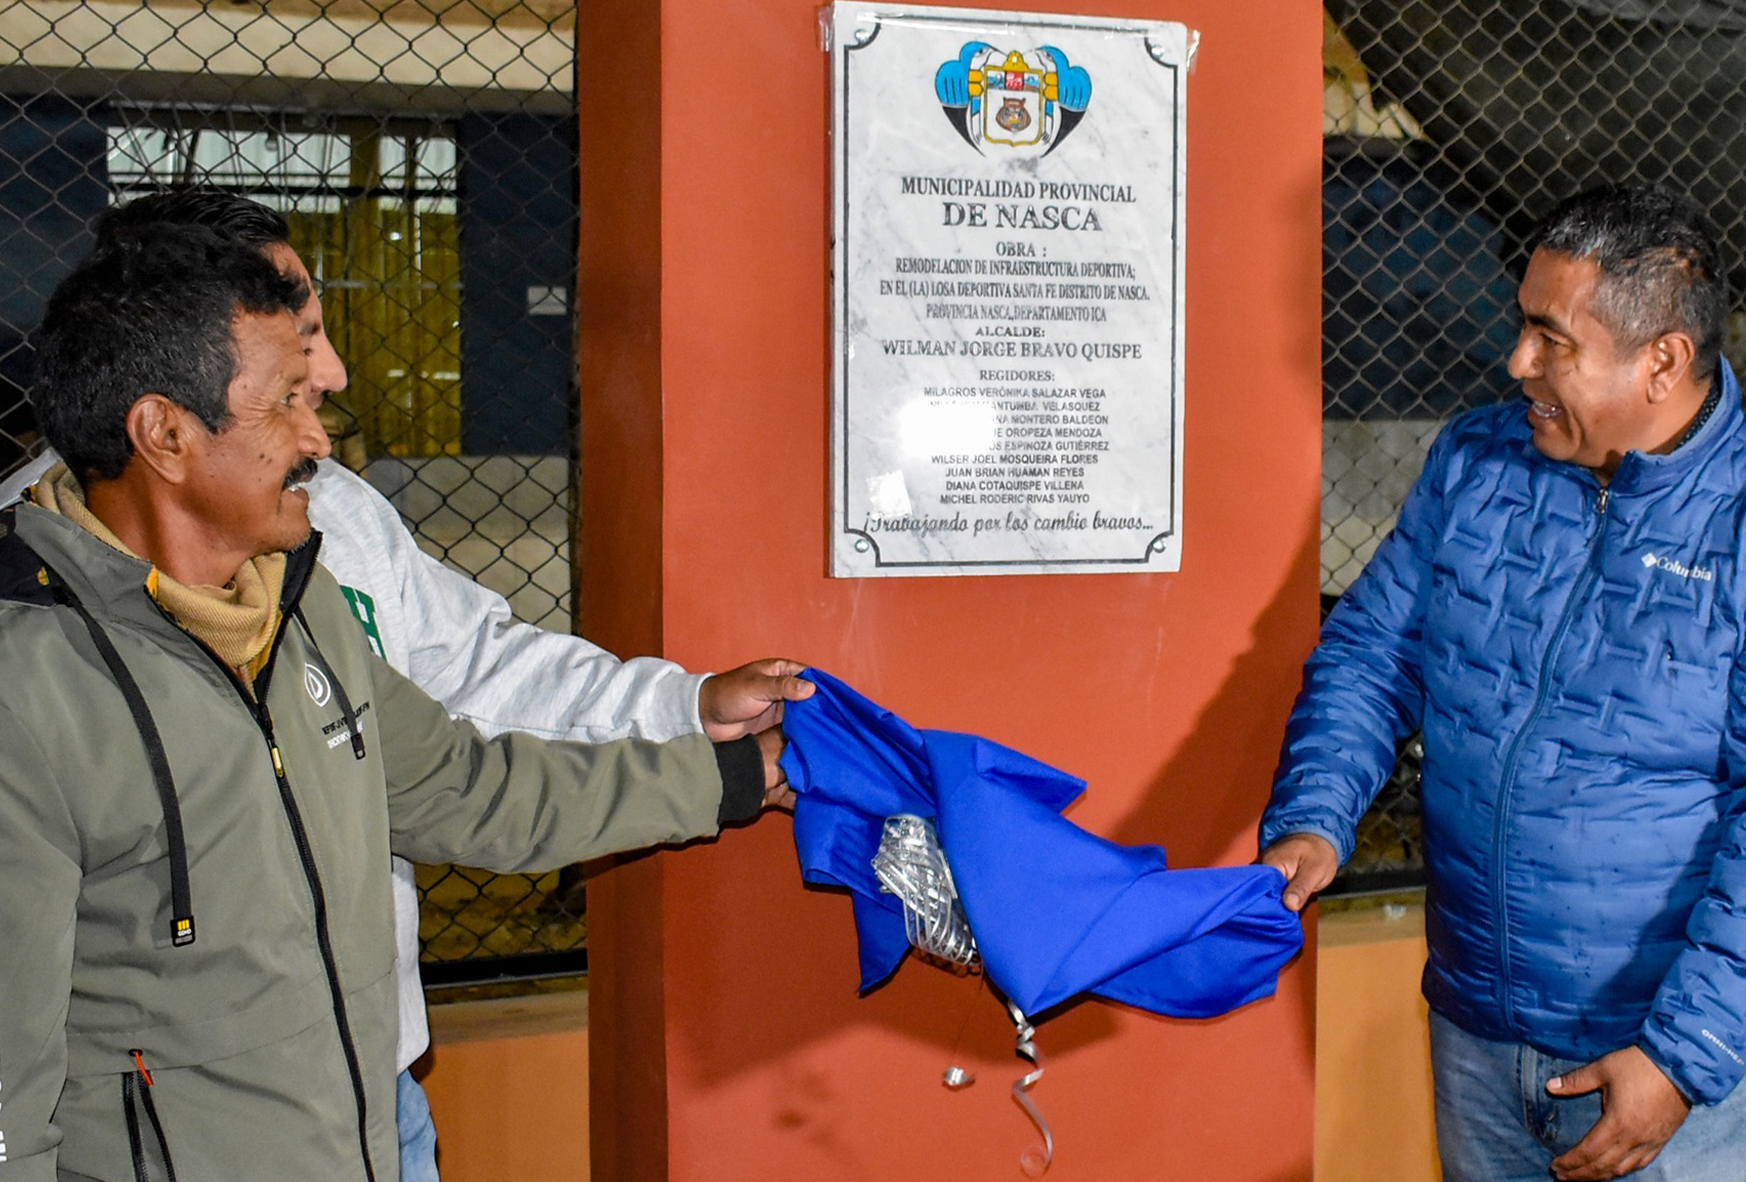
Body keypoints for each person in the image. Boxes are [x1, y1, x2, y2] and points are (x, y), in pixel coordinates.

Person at [0, 191, 811, 1182]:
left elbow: (471, 786)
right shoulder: (32, 679)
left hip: (365, 1121)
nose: (323, 427)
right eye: (291, 389)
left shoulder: (305, 604)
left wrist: (723, 770)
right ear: (164, 432)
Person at [1260, 183, 1746, 1182]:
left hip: (1656, 1067)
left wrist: (1681, 1059)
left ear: (1663, 360)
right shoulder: (1480, 459)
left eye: (1550, 339)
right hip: (1475, 1031)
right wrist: (1316, 815)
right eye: (1522, 326)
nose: (1516, 362)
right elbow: (1373, 652)